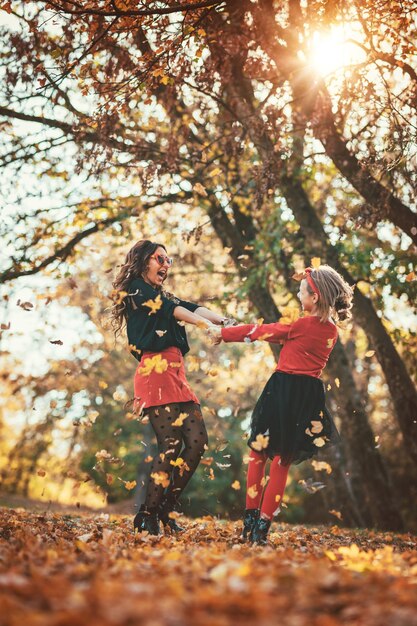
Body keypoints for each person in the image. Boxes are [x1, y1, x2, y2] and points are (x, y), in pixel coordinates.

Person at [208, 265, 354, 545]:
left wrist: (224, 334)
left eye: (302, 293)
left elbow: (262, 331)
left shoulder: (300, 325)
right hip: (307, 398)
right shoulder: (332, 332)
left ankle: (249, 521)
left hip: (282, 391)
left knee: (258, 454)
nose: (300, 297)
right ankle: (262, 527)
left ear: (315, 297)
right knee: (282, 462)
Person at [111, 240, 231, 535]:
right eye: (159, 259)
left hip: (176, 372)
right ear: (142, 261)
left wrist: (224, 321)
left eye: (169, 260)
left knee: (197, 442)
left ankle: (164, 508)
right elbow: (173, 311)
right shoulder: (137, 289)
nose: (165, 265)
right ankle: (148, 514)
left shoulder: (161, 293)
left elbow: (190, 307)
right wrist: (207, 328)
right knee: (171, 444)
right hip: (155, 370)